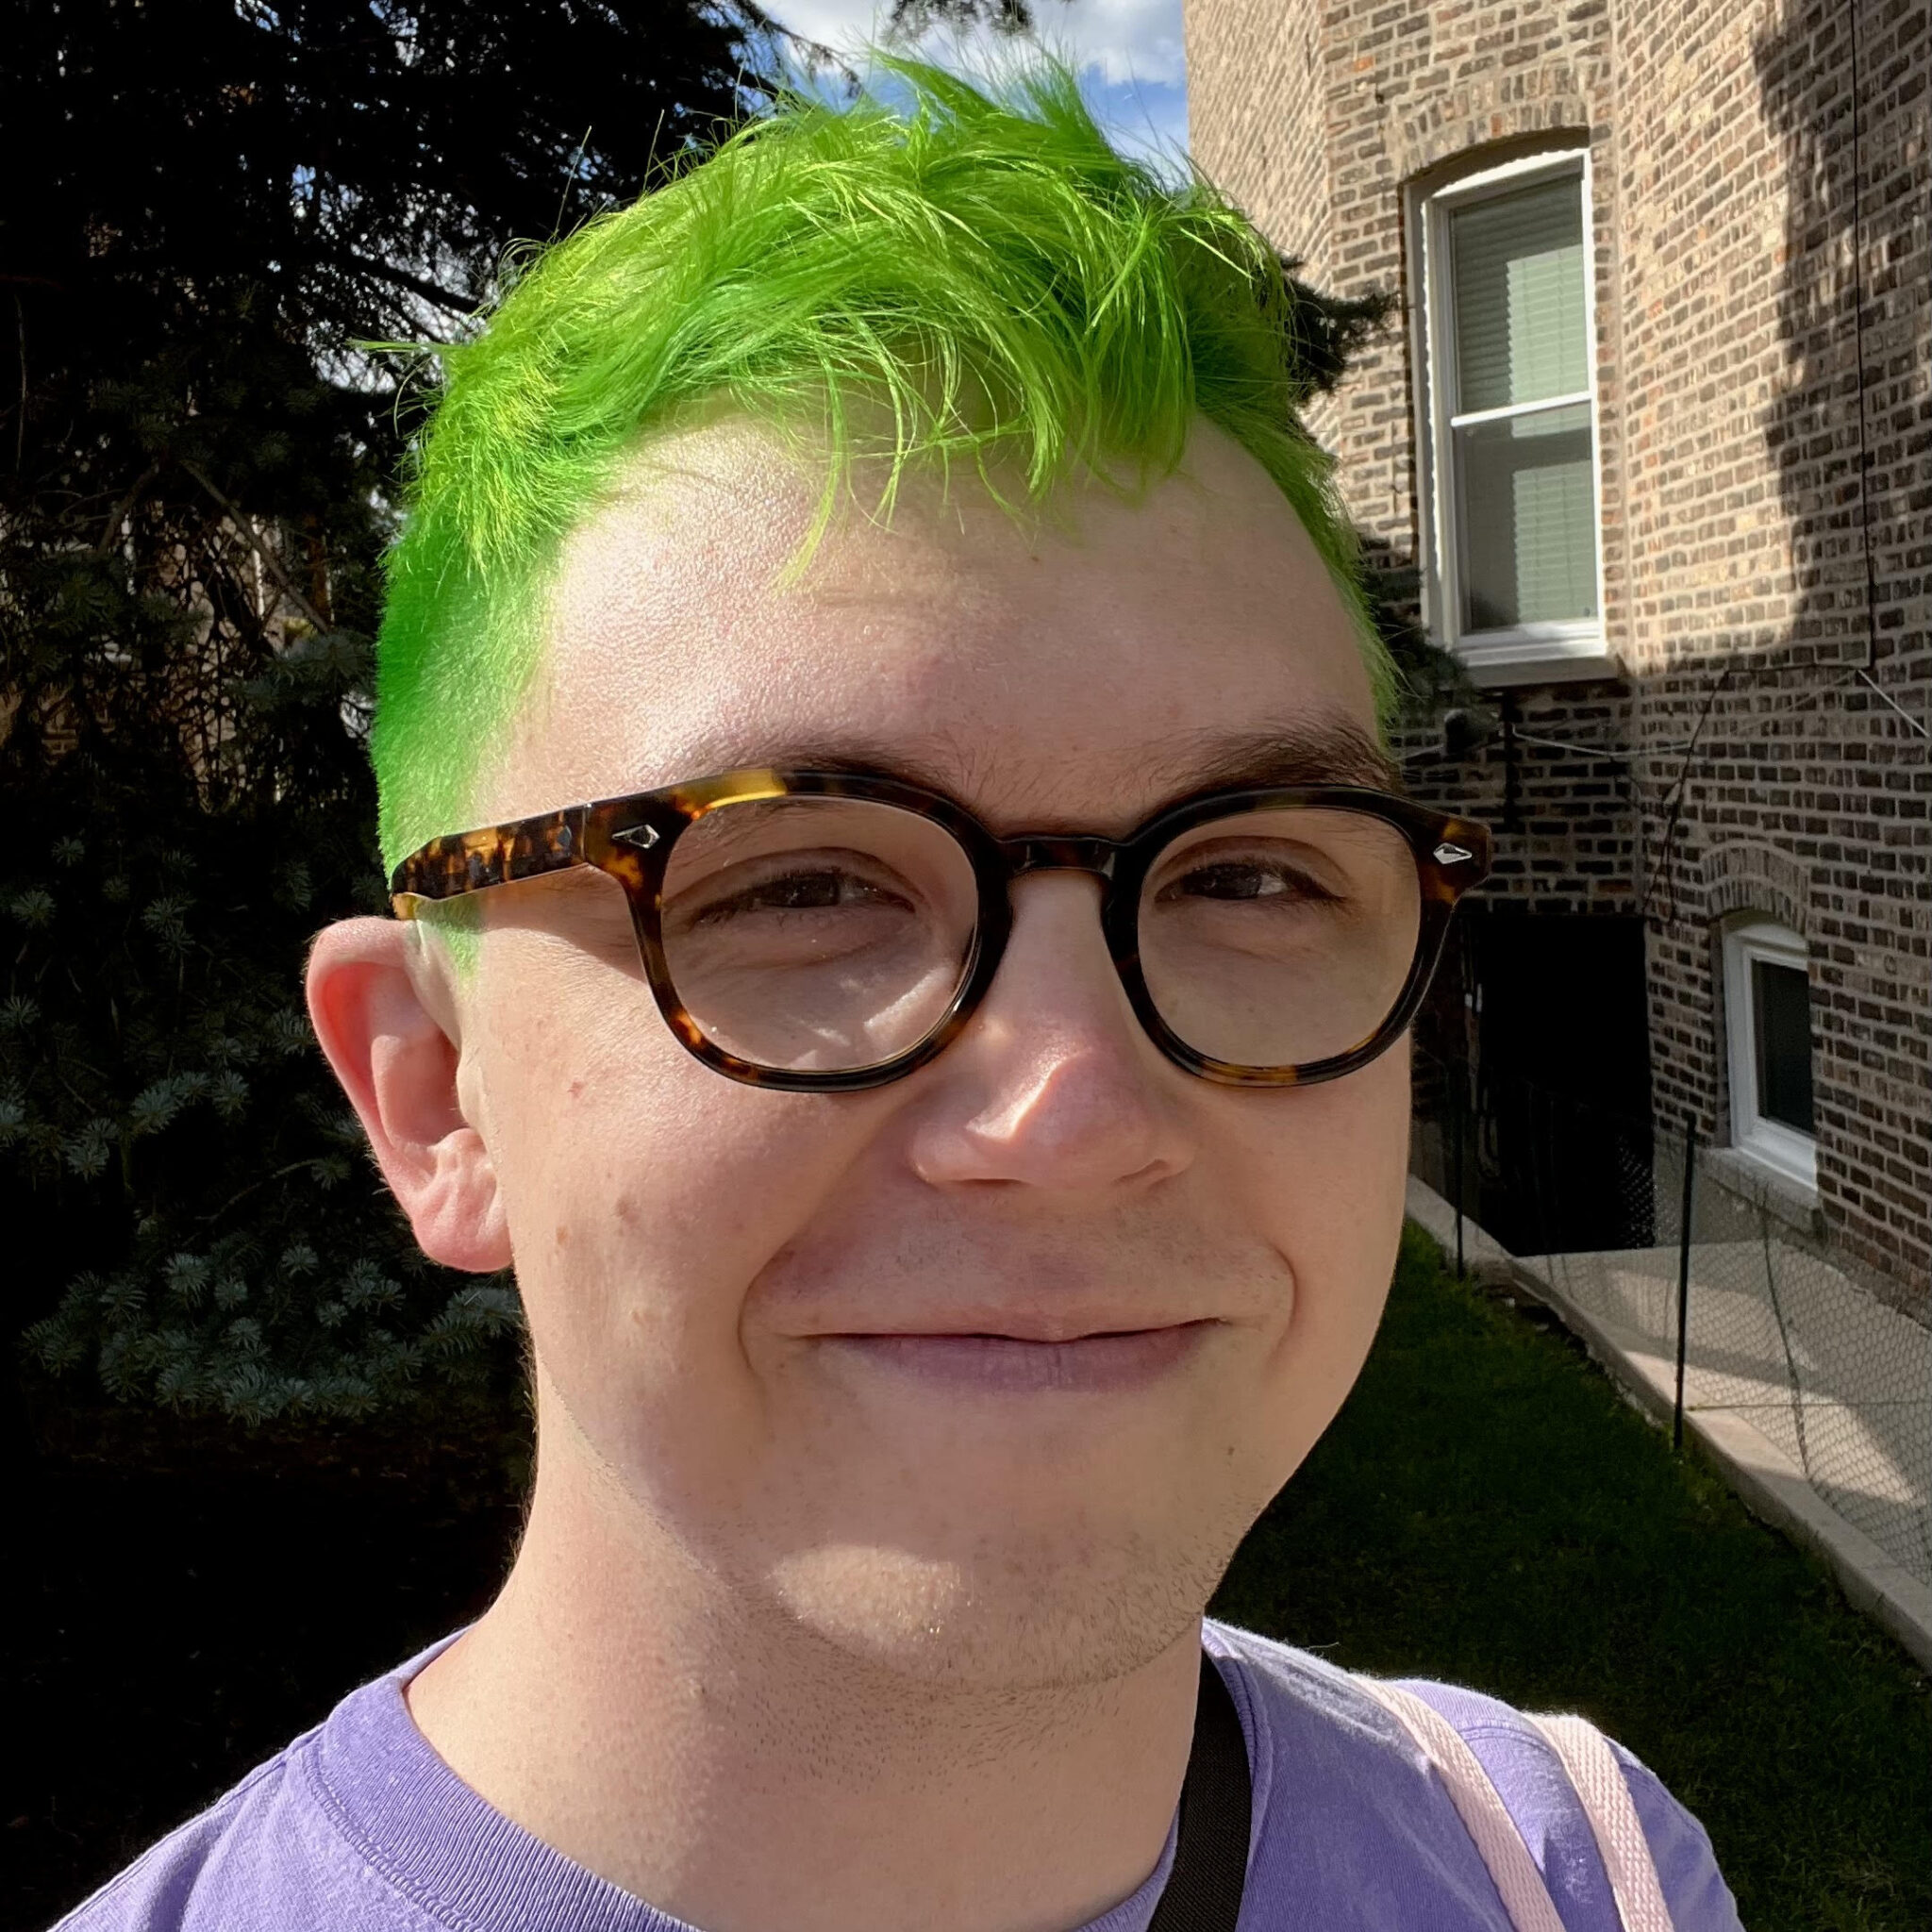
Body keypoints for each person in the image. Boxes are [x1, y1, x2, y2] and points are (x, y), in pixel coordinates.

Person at [57, 60, 1741, 1932]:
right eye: (801, 879)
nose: (1077, 1110)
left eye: (1251, 869)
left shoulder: (1579, 1874)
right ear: (435, 1091)